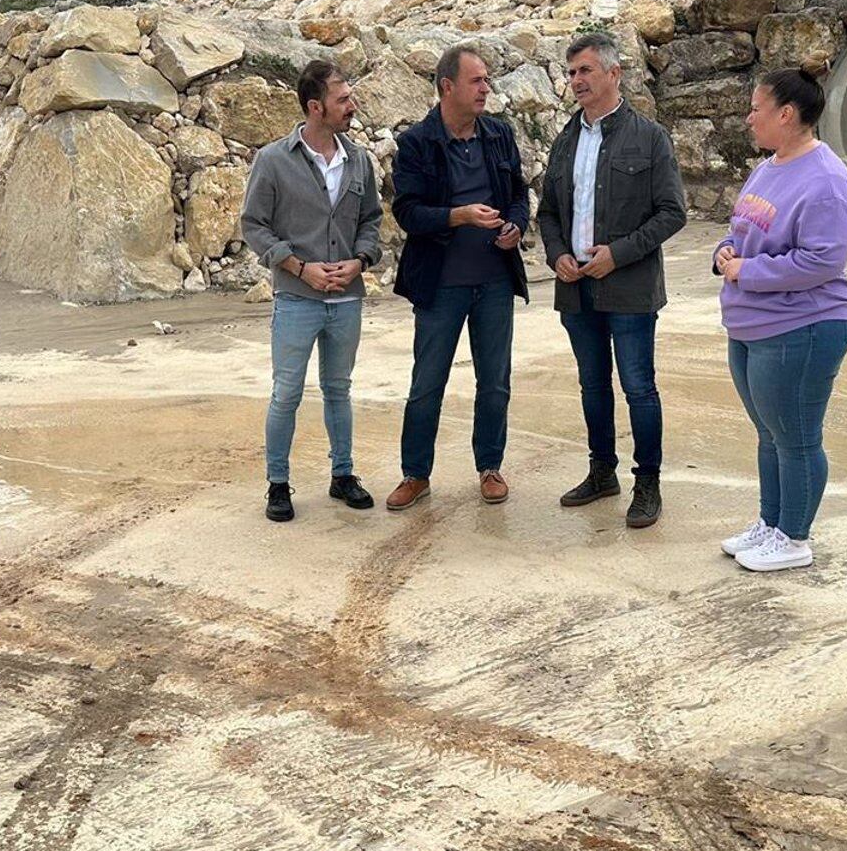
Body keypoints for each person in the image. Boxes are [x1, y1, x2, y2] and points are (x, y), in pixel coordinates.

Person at [537, 30, 687, 528]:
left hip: (629, 289)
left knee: (639, 387)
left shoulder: (649, 137)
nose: (576, 79)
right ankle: (602, 472)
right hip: (575, 287)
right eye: (572, 71)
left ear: (614, 73)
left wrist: (617, 255)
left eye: (585, 70)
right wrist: (557, 254)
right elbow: (549, 212)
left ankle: (648, 483)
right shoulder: (566, 138)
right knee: (592, 385)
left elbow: (672, 213)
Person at [713, 68, 847, 572]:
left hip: (803, 325)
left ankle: (794, 538)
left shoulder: (827, 182)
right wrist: (726, 251)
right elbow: (743, 227)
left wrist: (745, 270)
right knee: (769, 433)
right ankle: (771, 522)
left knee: (795, 435)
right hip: (754, 322)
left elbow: (822, 262)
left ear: (786, 114)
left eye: (756, 108)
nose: (749, 117)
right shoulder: (771, 166)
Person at [385, 43, 531, 510]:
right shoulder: (416, 144)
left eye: (487, 79)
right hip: (440, 285)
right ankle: (415, 474)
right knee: (427, 382)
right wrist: (459, 216)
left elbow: (518, 195)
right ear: (448, 87)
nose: (486, 88)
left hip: (494, 282)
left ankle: (490, 466)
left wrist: (515, 226)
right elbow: (408, 212)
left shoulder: (498, 135)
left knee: (495, 381)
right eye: (477, 80)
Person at [240, 59, 385, 522]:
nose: (352, 106)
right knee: (286, 392)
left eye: (351, 97)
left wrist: (360, 260)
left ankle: (343, 475)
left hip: (346, 299)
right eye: (343, 99)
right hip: (297, 298)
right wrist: (299, 268)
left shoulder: (359, 159)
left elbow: (371, 221)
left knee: (339, 389)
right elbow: (253, 225)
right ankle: (278, 485)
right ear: (315, 106)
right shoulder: (273, 160)